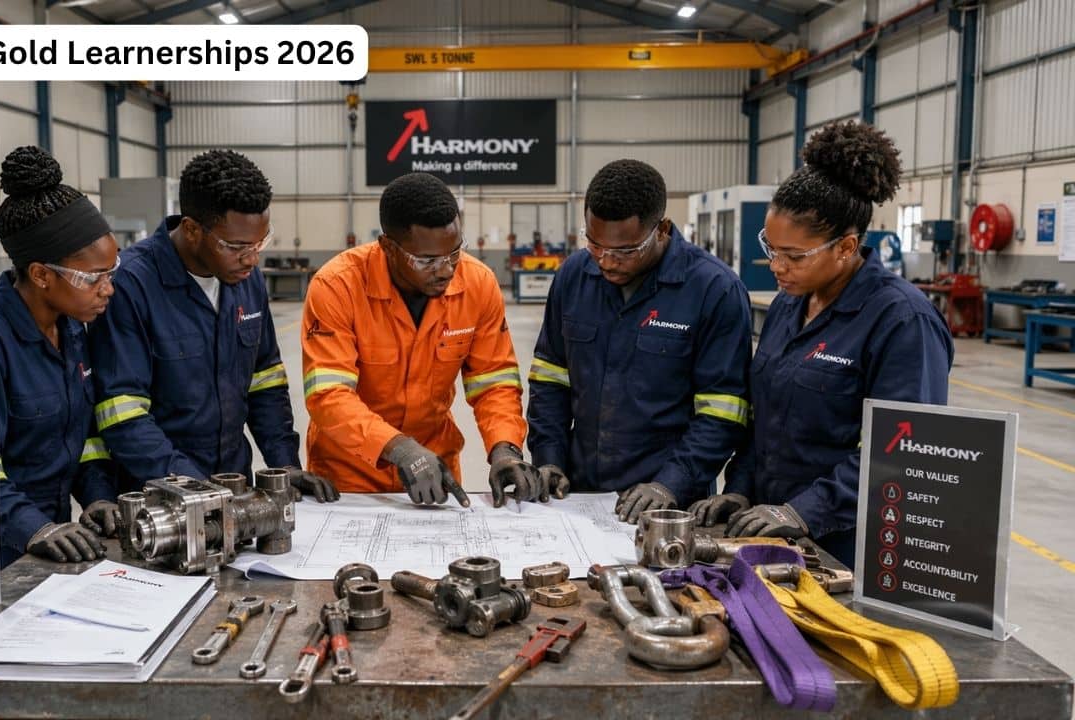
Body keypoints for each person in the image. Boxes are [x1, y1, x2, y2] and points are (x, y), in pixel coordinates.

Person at [690, 120, 953, 568]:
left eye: (793, 256)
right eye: (770, 248)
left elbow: (901, 452)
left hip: (849, 544)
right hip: (768, 529)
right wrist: (741, 488)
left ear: (846, 246)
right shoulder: (787, 308)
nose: (776, 266)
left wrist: (802, 511)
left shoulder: (901, 322)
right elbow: (763, 421)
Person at [87, 150, 337, 502]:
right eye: (235, 246)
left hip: (233, 486)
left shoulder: (245, 280)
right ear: (191, 229)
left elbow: (265, 382)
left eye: (259, 243)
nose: (251, 258)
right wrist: (196, 488)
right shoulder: (130, 286)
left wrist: (285, 467)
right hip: (158, 497)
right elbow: (121, 414)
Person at [301, 172, 548, 508]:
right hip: (349, 475)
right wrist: (400, 449)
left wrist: (505, 448)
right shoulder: (337, 287)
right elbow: (328, 396)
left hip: (437, 469)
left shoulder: (478, 285)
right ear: (388, 247)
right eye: (427, 260)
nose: (446, 270)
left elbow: (494, 383)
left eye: (454, 252)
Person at [0, 146, 120, 567]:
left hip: (51, 544)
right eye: (94, 277)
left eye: (111, 272)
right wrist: (33, 527)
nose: (108, 289)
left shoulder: (70, 329)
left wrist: (97, 495)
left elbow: (81, 436)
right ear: (41, 275)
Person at [527, 159, 752, 523]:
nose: (606, 261)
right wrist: (549, 458)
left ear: (661, 229)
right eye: (594, 244)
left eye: (625, 251)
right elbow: (550, 379)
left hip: (668, 505)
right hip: (578, 494)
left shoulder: (713, 290)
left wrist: (670, 484)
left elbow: (723, 412)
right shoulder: (574, 276)